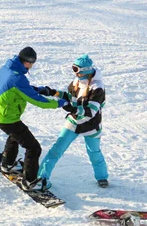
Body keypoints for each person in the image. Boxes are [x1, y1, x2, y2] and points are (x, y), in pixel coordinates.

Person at [0, 46, 68, 191]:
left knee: (15, 135)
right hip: (6, 117)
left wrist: (38, 89)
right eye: (31, 63)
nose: (31, 66)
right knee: (34, 148)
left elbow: (18, 88)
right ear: (26, 62)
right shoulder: (18, 78)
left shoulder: (8, 68)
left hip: (0, 113)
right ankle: (30, 181)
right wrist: (59, 103)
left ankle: (7, 164)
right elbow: (38, 101)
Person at [37, 54, 109, 189]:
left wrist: (70, 108)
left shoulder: (97, 87)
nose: (75, 73)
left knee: (94, 152)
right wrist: (51, 92)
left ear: (85, 71)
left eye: (76, 69)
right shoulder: (76, 82)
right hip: (74, 122)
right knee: (56, 150)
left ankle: (102, 177)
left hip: (91, 125)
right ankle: (42, 177)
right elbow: (68, 96)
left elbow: (91, 111)